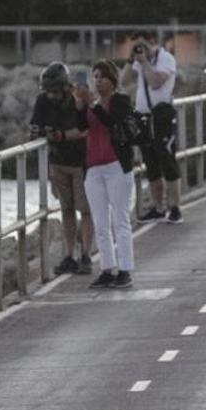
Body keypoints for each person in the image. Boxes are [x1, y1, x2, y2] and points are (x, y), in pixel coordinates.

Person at [75, 60, 135, 289]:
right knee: (100, 222)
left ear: (112, 80)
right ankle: (107, 268)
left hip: (116, 165)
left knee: (120, 220)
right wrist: (82, 105)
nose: (98, 81)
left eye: (102, 76)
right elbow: (82, 126)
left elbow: (112, 123)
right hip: (93, 168)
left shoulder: (120, 100)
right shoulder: (93, 104)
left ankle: (125, 269)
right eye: (95, 76)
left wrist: (92, 104)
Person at [30, 62, 94, 276]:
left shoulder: (78, 100)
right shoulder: (43, 101)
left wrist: (62, 135)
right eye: (48, 92)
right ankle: (69, 255)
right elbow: (36, 125)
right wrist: (37, 131)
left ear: (66, 87)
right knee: (66, 208)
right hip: (58, 162)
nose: (52, 96)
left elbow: (86, 129)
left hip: (81, 162)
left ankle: (86, 254)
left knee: (85, 210)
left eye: (56, 91)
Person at [124, 30, 182, 225]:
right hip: (144, 118)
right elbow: (124, 82)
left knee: (167, 161)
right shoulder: (140, 61)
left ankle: (174, 207)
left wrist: (145, 62)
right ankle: (158, 208)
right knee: (151, 164)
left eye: (143, 46)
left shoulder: (166, 59)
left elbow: (156, 82)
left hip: (162, 117)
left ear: (152, 43)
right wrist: (130, 58)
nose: (142, 50)